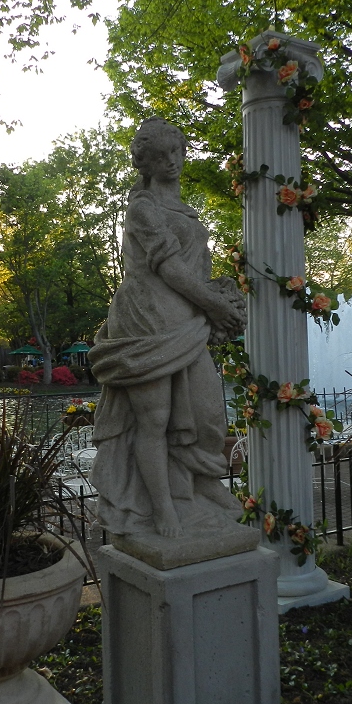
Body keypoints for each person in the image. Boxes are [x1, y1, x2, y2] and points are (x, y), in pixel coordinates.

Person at [88, 117, 246, 539]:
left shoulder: (185, 208)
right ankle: (163, 511)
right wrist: (214, 304)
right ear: (145, 162)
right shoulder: (143, 207)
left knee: (209, 413)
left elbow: (193, 266)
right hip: (147, 319)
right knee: (154, 420)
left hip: (186, 317)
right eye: (160, 156)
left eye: (175, 151)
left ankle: (201, 485)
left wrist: (217, 294)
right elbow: (170, 268)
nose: (171, 161)